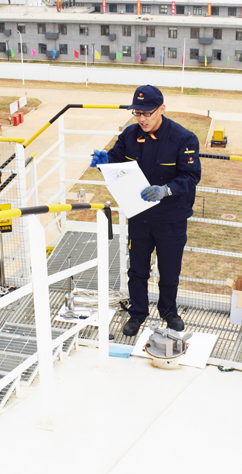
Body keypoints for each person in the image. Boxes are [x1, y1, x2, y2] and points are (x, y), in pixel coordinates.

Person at [90, 85, 201, 336]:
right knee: (137, 270)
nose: (141, 119)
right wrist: (103, 162)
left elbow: (192, 176)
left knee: (169, 269)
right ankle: (138, 313)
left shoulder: (183, 138)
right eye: (136, 113)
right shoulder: (129, 135)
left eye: (146, 113)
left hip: (171, 217)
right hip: (139, 215)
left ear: (162, 108)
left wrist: (165, 190)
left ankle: (169, 312)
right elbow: (115, 161)